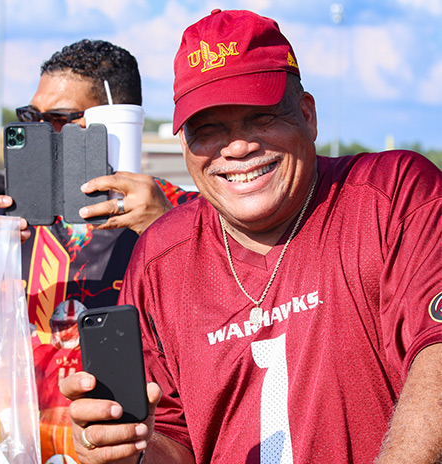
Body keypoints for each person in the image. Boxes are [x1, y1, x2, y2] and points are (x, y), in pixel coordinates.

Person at [60, 9, 442, 464]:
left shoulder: (391, 194)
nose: (237, 147)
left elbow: (434, 355)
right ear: (185, 146)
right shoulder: (161, 256)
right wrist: (129, 451)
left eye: (260, 119)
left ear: (307, 114)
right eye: (209, 130)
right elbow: (174, 438)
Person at [0, 39, 198, 463]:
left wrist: (165, 231)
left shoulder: (188, 214)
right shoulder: (5, 223)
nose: (41, 134)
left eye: (59, 119)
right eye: (31, 118)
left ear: (115, 119)